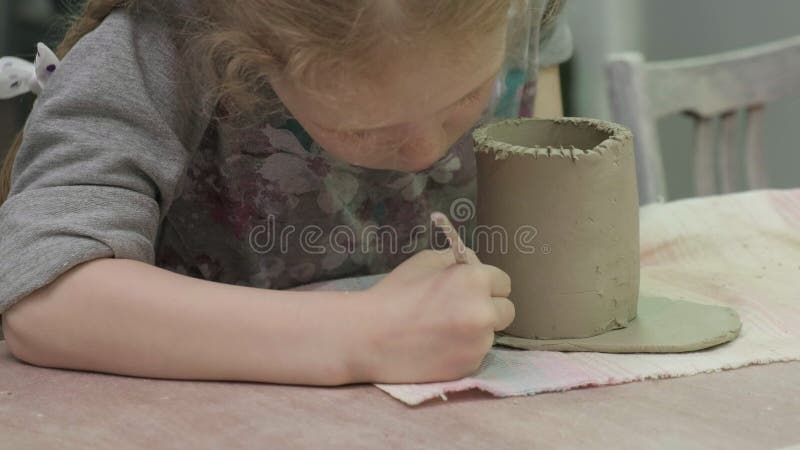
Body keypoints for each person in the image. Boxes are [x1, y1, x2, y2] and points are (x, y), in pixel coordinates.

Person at [0, 0, 572, 385]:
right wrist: (361, 335)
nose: (426, 152)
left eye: (469, 95)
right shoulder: (168, 45)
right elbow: (43, 297)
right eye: (361, 128)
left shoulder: (518, 12)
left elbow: (550, 205)